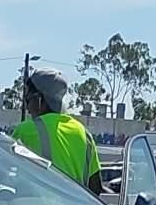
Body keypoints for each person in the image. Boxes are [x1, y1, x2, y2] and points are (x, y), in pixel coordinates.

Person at [10, 69, 104, 197]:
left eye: (28, 100)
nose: (27, 108)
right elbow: (95, 186)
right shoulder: (83, 133)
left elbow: (0, 172)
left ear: (39, 100)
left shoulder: (25, 131)